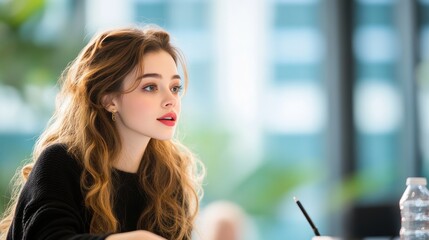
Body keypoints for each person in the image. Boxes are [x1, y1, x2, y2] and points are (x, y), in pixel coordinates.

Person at [0, 25, 204, 240]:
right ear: (108, 99)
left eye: (175, 88)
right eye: (150, 87)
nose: (171, 100)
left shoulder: (168, 176)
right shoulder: (60, 162)